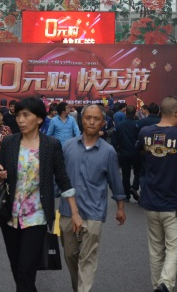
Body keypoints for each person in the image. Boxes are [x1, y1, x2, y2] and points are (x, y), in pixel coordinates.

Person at [0, 97, 83, 292]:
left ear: (40, 118)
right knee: (19, 272)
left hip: (37, 217)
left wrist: (75, 212)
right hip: (10, 217)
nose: (20, 120)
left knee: (26, 270)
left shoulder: (51, 145)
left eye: (26, 115)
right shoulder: (9, 142)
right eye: (18, 115)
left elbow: (63, 179)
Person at [60, 104, 126, 292]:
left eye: (96, 119)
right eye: (88, 117)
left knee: (88, 258)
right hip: (67, 212)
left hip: (94, 213)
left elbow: (115, 181)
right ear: (81, 120)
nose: (91, 121)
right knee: (70, 255)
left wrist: (120, 207)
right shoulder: (68, 146)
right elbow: (59, 178)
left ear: (103, 123)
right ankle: (78, 287)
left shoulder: (108, 151)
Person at [136, 96, 177, 292]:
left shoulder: (145, 133)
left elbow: (140, 153)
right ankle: (166, 284)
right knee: (174, 247)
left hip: (150, 199)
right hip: (173, 201)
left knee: (156, 250)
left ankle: (158, 286)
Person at [113, 105, 141, 202]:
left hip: (123, 152)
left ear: (125, 112)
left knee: (125, 175)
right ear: (134, 113)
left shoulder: (120, 125)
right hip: (136, 152)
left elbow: (115, 140)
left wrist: (116, 149)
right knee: (138, 172)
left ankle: (126, 195)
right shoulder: (137, 124)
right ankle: (134, 187)